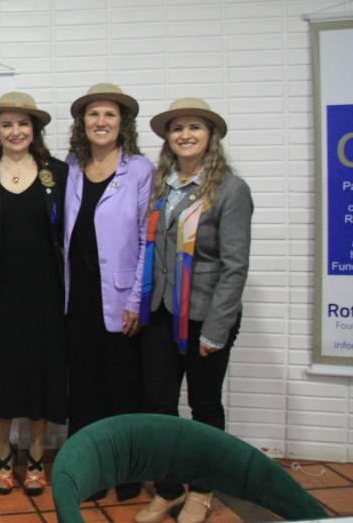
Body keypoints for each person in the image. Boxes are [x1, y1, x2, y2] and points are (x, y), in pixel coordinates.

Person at [135, 98, 253, 523]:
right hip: (160, 313)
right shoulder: (161, 185)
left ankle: (202, 490)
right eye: (177, 128)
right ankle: (168, 490)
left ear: (210, 136)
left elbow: (234, 266)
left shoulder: (230, 190)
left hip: (205, 316)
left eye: (194, 127)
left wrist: (217, 329)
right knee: (159, 405)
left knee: (204, 406)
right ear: (168, 138)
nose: (185, 135)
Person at [0, 91, 67, 497]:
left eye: (23, 123)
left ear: (34, 130)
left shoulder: (59, 173)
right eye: (7, 124)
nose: (15, 131)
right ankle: (3, 455)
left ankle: (36, 454)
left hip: (46, 294)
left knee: (41, 375)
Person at [63, 83, 153, 502]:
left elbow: (147, 239)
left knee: (123, 386)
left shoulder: (139, 170)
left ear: (123, 123)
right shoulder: (71, 166)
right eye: (93, 114)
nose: (101, 122)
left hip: (120, 296)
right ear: (83, 122)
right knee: (84, 388)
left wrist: (136, 300)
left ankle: (128, 471)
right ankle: (91, 472)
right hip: (78, 294)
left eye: (109, 115)